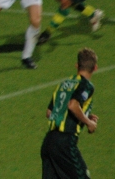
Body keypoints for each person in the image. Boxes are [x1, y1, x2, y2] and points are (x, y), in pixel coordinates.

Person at [41, 47, 99, 179]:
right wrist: (89, 122)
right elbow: (73, 105)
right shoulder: (87, 85)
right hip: (65, 143)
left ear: (77, 66)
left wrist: (83, 115)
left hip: (49, 142)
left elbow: (49, 112)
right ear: (95, 68)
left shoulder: (64, 84)